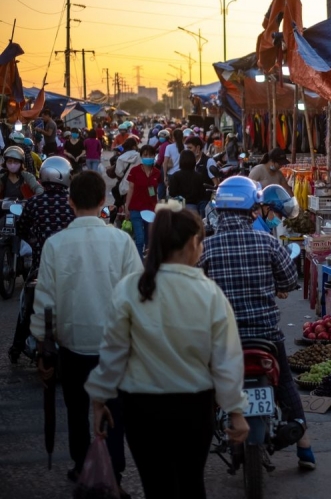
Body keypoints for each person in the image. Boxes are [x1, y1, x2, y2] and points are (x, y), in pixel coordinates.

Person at [85, 205, 249, 498]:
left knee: (156, 487)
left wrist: (99, 399)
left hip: (141, 409)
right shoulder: (209, 293)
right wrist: (235, 411)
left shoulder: (129, 289)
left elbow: (112, 353)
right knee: (191, 483)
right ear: (191, 245)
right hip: (194, 408)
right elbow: (227, 360)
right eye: (201, 243)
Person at [30, 171, 142, 494]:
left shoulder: (55, 245)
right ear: (104, 201)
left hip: (72, 346)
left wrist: (42, 346)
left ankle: (82, 466)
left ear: (70, 202)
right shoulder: (121, 241)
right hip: (115, 347)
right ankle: (115, 476)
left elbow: (45, 300)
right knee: (115, 412)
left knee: (77, 410)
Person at [199, 176, 315, 470]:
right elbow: (290, 280)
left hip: (224, 339)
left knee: (206, 387)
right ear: (253, 209)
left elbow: (196, 289)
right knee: (285, 382)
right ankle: (305, 448)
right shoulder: (266, 241)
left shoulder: (207, 248)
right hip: (265, 334)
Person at [8, 156, 76, 361]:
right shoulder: (72, 204)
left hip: (41, 268)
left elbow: (21, 229)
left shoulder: (34, 203)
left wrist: (35, 240)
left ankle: (16, 349)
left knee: (27, 309)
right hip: (71, 268)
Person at [124, 144, 160, 259]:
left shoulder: (157, 173)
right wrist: (127, 206)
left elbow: (158, 192)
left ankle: (148, 261)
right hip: (136, 208)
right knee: (139, 238)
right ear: (141, 156)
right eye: (145, 155)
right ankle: (138, 263)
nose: (148, 157)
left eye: (150, 155)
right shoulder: (134, 171)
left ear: (154, 156)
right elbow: (131, 189)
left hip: (150, 209)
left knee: (149, 239)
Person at [185, 136, 217, 217]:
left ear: (198, 148)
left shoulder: (209, 161)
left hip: (204, 201)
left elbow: (216, 184)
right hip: (191, 201)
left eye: (190, 148)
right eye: (186, 148)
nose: (187, 151)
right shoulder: (187, 163)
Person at [167, 150, 207, 214]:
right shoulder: (198, 176)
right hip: (195, 208)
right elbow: (202, 195)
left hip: (179, 208)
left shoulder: (175, 176)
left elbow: (172, 193)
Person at [163, 128, 186, 192]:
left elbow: (165, 162)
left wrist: (165, 176)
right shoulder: (186, 147)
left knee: (172, 195)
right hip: (183, 175)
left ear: (173, 137)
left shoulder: (169, 147)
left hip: (172, 175)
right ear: (182, 137)